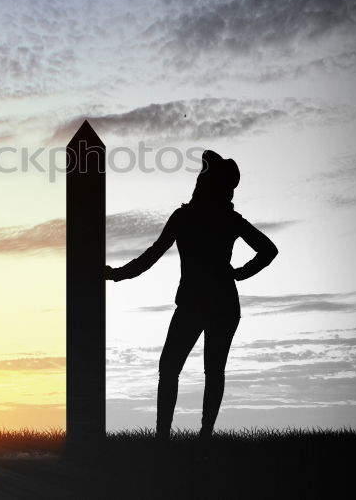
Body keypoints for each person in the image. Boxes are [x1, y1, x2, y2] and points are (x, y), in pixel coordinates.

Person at [104, 150, 277, 446]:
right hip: (215, 302)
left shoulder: (194, 217)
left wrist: (117, 274)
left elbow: (152, 255)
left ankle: (175, 438)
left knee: (182, 368)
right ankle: (189, 438)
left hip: (205, 303)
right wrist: (239, 273)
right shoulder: (221, 218)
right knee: (196, 369)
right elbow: (268, 250)